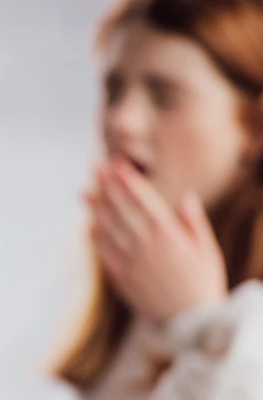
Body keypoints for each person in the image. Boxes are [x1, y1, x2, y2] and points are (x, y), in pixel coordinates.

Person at [55, 0, 263, 399]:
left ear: (253, 128)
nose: (119, 120)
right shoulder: (129, 315)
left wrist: (202, 330)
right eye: (113, 89)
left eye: (164, 96)